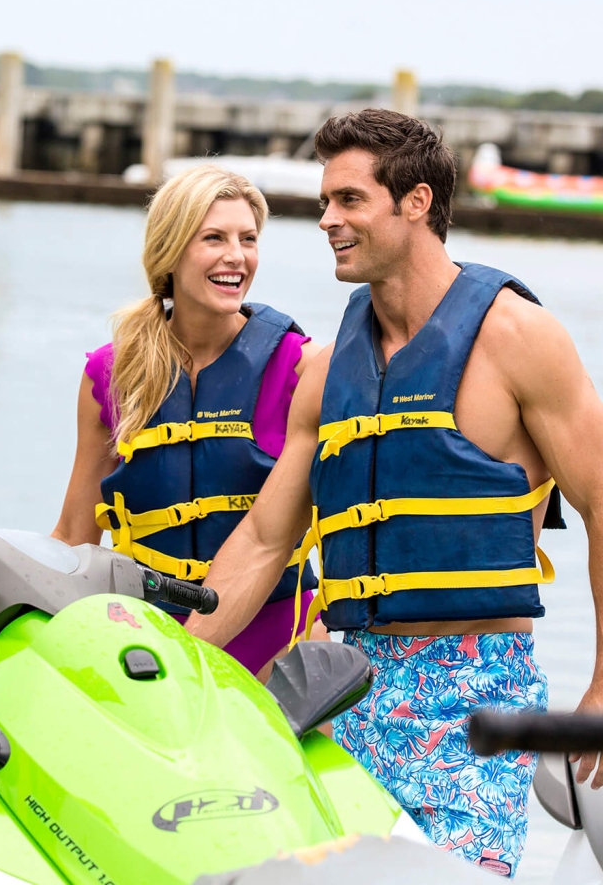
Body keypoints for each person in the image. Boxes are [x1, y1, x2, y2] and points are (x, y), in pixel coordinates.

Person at [185, 108, 603, 877]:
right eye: (323, 203)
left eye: (348, 200)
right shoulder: (327, 367)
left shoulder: (517, 337)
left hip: (479, 691)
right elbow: (265, 540)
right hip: (351, 690)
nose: (326, 220)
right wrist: (178, 664)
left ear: (415, 203)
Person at [52, 164, 326, 677]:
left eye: (248, 239)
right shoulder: (109, 374)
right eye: (214, 238)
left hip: (280, 642)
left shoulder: (300, 367)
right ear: (171, 250)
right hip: (140, 641)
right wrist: (5, 629)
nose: (236, 256)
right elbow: (74, 534)